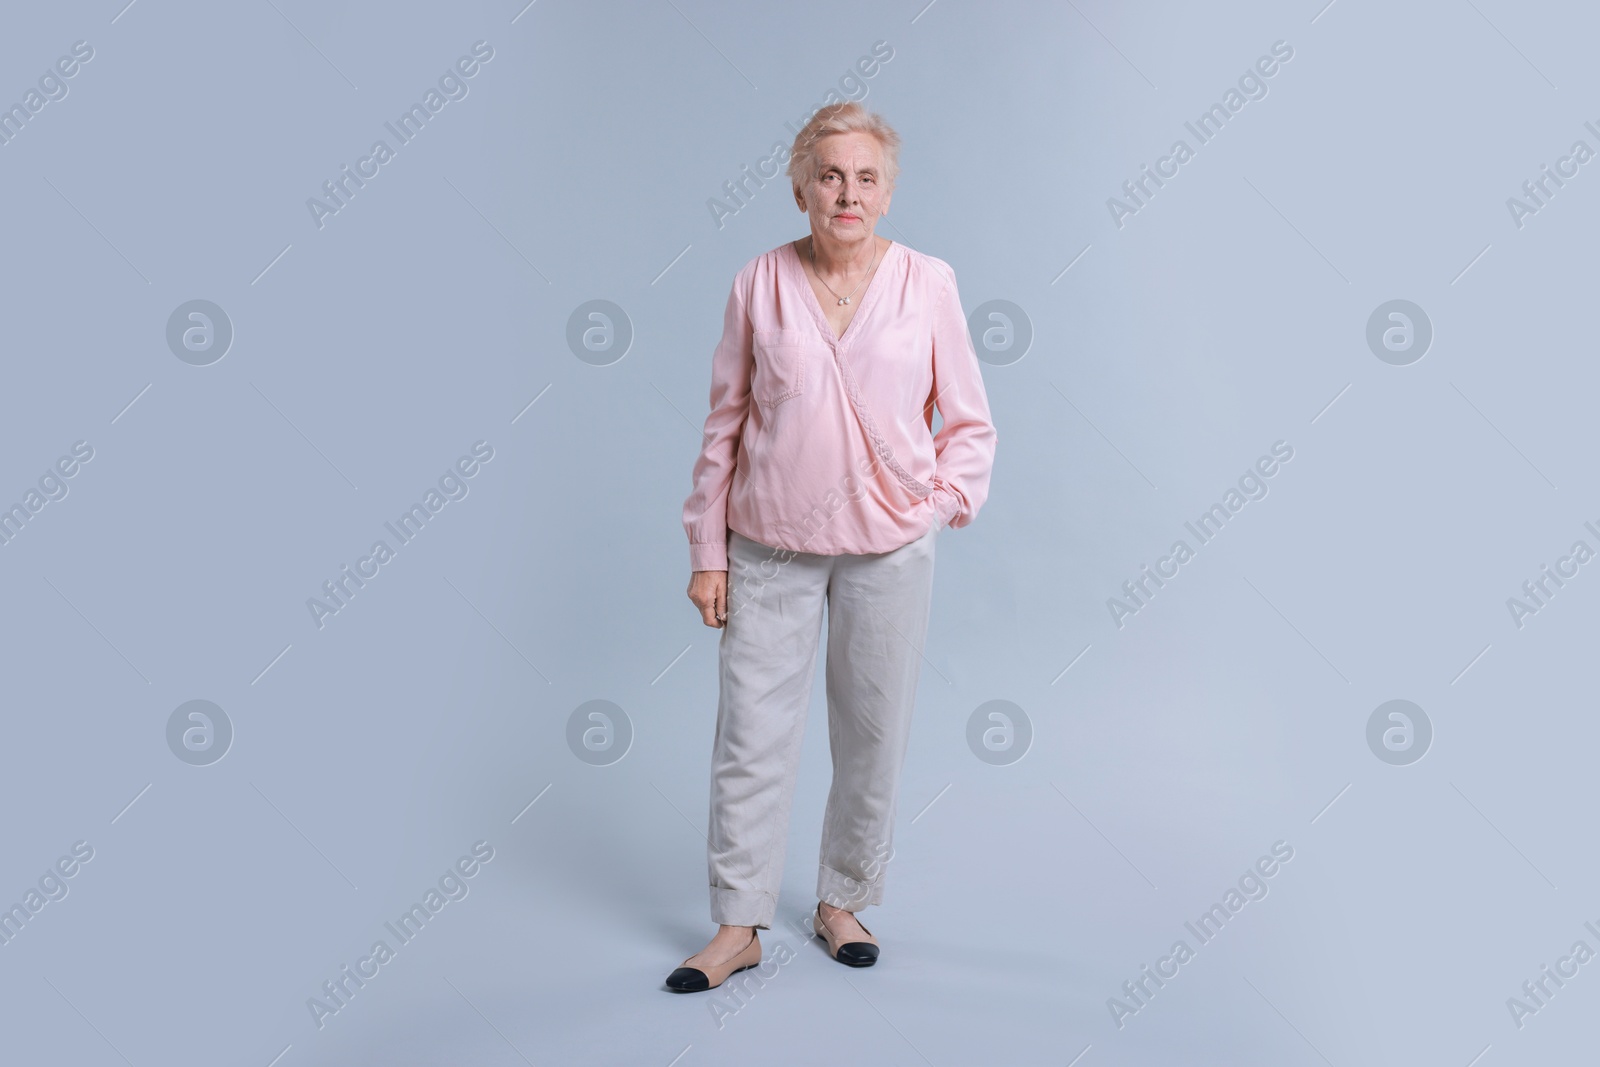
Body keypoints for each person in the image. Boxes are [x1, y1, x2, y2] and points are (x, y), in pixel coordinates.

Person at [665, 101, 997, 993]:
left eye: (865, 177)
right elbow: (723, 424)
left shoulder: (929, 283)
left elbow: (968, 419)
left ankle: (842, 899)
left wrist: (940, 504)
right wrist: (707, 548)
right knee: (750, 734)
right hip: (768, 544)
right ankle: (738, 923)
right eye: (829, 175)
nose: (846, 192)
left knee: (873, 730)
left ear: (887, 193)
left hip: (888, 548)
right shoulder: (757, 284)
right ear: (802, 187)